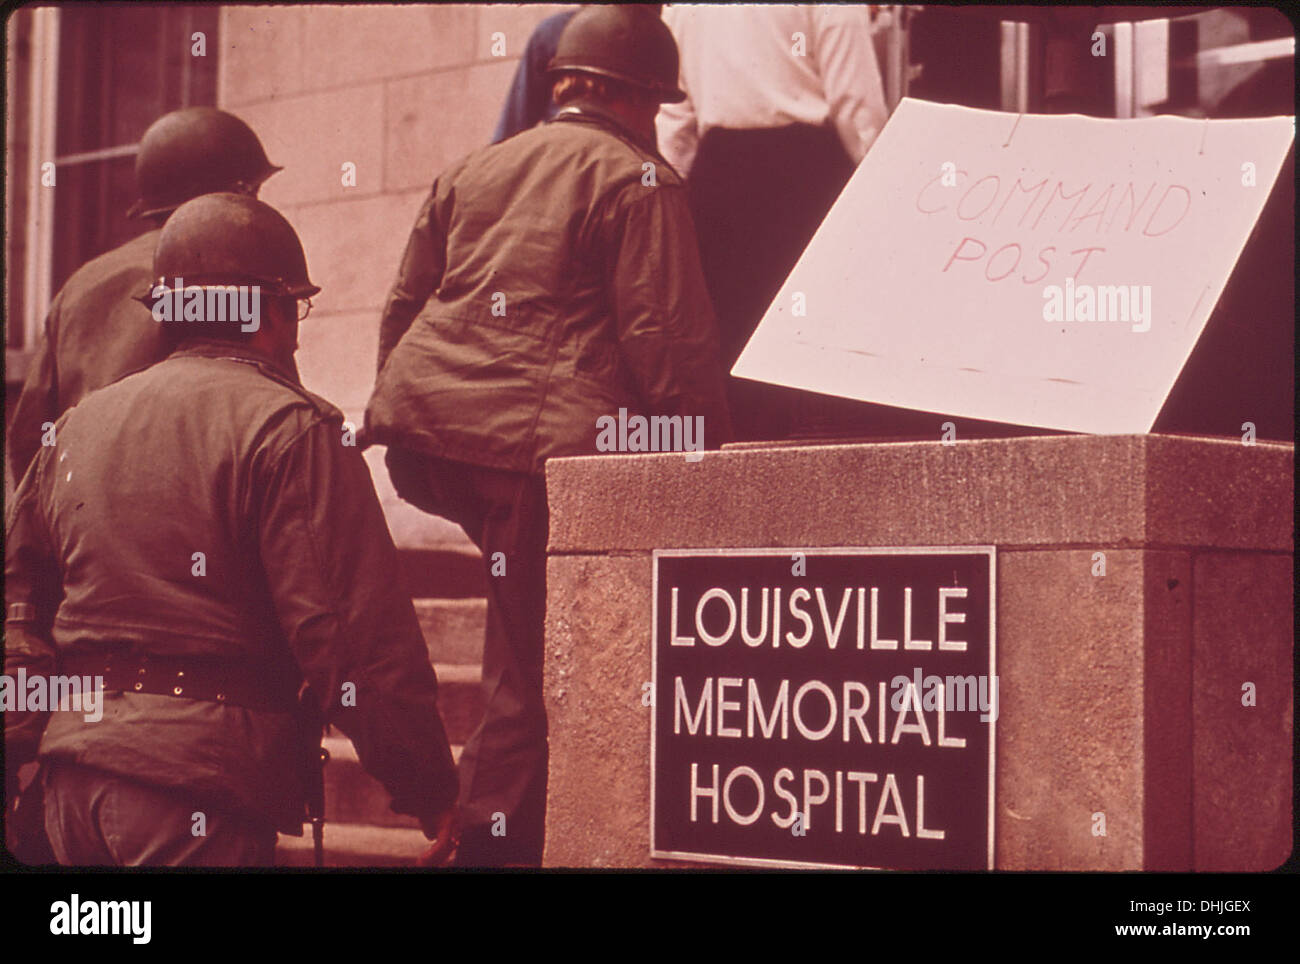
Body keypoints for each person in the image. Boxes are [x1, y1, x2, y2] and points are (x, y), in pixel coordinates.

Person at [365, 4, 732, 866]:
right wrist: (704, 477)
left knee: (516, 639)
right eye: (657, 107)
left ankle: (483, 832)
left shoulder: (474, 168)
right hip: (532, 458)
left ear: (564, 83)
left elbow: (402, 311)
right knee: (539, 669)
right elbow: (668, 347)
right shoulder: (638, 179)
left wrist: (414, 413)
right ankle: (493, 845)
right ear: (640, 98)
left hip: (436, 449)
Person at [4, 193, 459, 867]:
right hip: (193, 797)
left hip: (70, 789)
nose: (298, 334)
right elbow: (355, 644)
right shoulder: (293, 428)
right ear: (269, 310)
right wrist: (431, 790)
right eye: (296, 310)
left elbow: (19, 601)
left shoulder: (77, 427)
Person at [7, 107, 283, 489]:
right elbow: (270, 405)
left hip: (83, 515)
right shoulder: (230, 273)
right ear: (241, 193)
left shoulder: (82, 283)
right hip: (186, 510)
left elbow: (29, 437)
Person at [655, 4, 890, 441]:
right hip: (804, 176)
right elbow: (855, 104)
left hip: (718, 179)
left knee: (735, 348)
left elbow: (674, 118)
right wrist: (884, 192)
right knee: (812, 350)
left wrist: (671, 200)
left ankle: (745, 479)